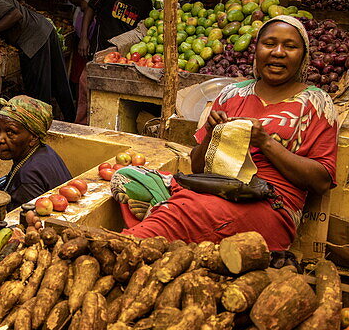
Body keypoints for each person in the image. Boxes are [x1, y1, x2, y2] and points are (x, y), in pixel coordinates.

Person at [125, 15, 337, 251]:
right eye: (269, 44)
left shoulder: (315, 102)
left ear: (303, 56)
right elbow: (197, 167)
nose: (278, 52)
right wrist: (210, 132)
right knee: (127, 177)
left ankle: (130, 244)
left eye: (290, 46)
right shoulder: (231, 95)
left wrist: (265, 142)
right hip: (216, 188)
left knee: (185, 212)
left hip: (269, 204)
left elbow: (322, 181)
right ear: (256, 50)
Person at [74, 0, 165, 122]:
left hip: (121, 58)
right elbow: (91, 8)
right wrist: (84, 37)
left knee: (106, 98)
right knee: (86, 89)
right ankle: (80, 127)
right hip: (98, 48)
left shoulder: (145, 3)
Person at [67, 0, 126, 118]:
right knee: (79, 67)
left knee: (100, 63)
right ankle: (79, 108)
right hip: (82, 24)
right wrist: (82, 2)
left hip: (105, 26)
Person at [0, 95, 72, 208]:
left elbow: (24, 219)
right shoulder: (44, 151)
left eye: (11, 132)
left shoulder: (27, 177)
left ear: (33, 137)